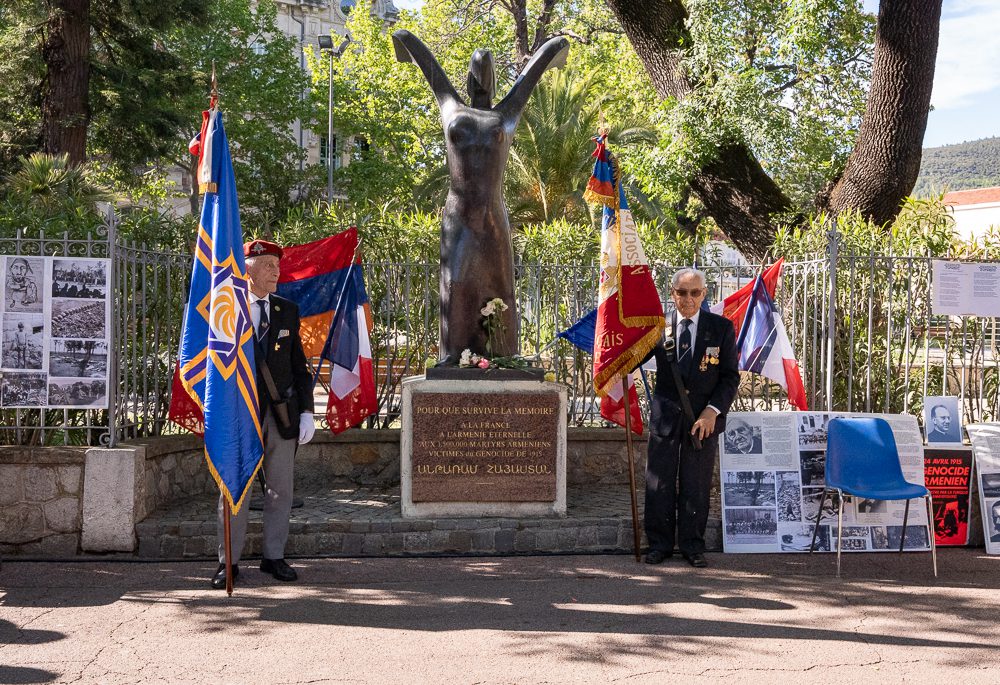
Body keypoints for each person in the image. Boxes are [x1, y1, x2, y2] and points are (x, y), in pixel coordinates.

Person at [212, 239, 316, 590]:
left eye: (277, 264)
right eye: (269, 264)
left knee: (280, 489)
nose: (277, 271)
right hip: (239, 412)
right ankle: (230, 562)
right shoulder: (227, 308)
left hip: (280, 413)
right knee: (234, 486)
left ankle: (273, 556)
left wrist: (306, 411)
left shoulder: (286, 309)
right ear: (248, 268)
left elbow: (298, 366)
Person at [640, 268, 739, 568]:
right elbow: (632, 357)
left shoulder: (720, 328)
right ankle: (659, 545)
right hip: (667, 415)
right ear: (672, 294)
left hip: (702, 419)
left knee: (696, 483)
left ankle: (693, 546)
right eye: (681, 293)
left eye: (694, 293)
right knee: (659, 482)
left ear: (704, 294)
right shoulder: (657, 328)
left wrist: (712, 411)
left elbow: (730, 377)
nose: (688, 299)